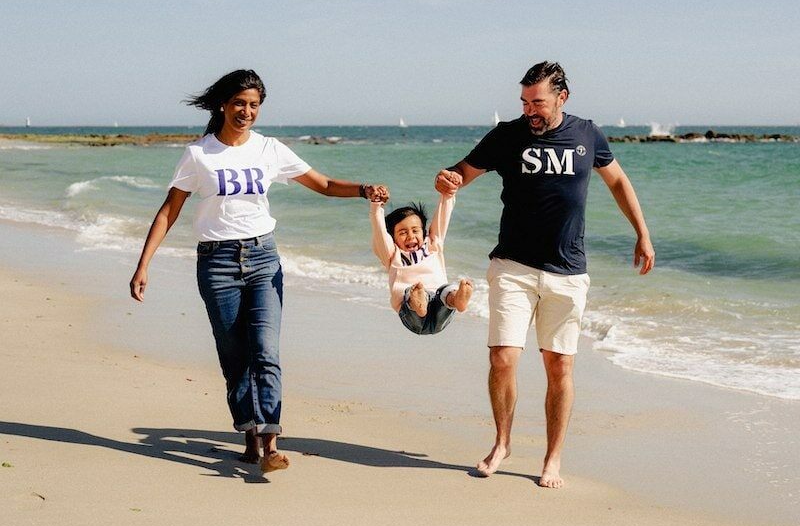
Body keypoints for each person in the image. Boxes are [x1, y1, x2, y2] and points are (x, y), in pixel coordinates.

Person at [129, 69, 388, 474]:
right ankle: (250, 438)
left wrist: (362, 189)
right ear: (223, 105)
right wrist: (143, 264)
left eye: (253, 105)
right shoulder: (200, 154)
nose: (247, 111)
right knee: (235, 358)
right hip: (216, 264)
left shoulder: (269, 149)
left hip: (264, 258)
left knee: (266, 351)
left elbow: (321, 183)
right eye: (239, 104)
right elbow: (170, 209)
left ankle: (270, 443)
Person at [435, 61, 655, 488]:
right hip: (512, 266)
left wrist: (642, 235)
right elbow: (462, 172)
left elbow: (618, 183)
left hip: (568, 271)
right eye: (524, 102)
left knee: (559, 367)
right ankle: (502, 443)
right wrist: (447, 179)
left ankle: (553, 458)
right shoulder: (507, 135)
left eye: (537, 102)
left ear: (561, 97)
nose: (529, 110)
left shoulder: (587, 134)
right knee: (503, 357)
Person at [370, 191, 473, 335]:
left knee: (447, 290)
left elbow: (443, 217)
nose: (410, 236)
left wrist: (448, 194)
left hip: (440, 307)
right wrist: (376, 208)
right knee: (411, 293)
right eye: (403, 233)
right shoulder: (392, 254)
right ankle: (419, 301)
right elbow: (379, 234)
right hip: (411, 314)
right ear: (392, 238)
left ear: (423, 232)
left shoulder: (432, 245)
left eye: (415, 230)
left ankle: (457, 300)